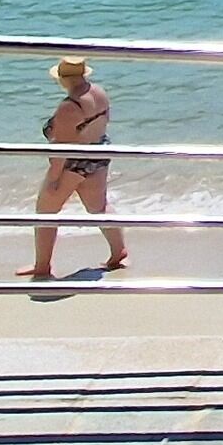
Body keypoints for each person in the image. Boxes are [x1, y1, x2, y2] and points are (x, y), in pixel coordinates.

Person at [27, 55, 128, 280]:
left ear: (63, 79)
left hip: (73, 161)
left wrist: (54, 179)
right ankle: (118, 251)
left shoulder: (69, 107)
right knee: (98, 207)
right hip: (99, 152)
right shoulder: (99, 92)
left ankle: (42, 268)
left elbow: (62, 148)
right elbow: (103, 123)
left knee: (46, 212)